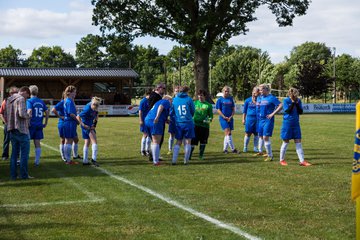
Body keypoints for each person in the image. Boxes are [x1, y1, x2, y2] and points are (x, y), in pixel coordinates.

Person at [279, 88, 311, 166]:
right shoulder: (286, 101)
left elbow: (301, 112)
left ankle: (302, 161)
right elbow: (287, 111)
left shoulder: (298, 101)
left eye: (297, 94)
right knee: (286, 141)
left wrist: (296, 103)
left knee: (298, 141)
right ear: (290, 94)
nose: (296, 95)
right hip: (287, 123)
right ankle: (282, 160)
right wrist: (293, 103)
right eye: (294, 94)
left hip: (296, 123)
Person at [6, 86, 32, 180]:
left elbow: (6, 114)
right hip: (21, 129)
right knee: (24, 154)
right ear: (24, 92)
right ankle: (24, 175)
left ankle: (13, 175)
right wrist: (29, 114)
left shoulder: (9, 99)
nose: (27, 98)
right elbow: (22, 114)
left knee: (14, 154)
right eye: (27, 96)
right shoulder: (21, 99)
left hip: (11, 128)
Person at [52, 93, 81, 162]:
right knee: (63, 140)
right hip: (63, 123)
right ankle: (64, 156)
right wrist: (60, 117)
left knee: (76, 139)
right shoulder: (63, 102)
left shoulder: (71, 102)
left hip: (70, 122)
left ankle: (75, 155)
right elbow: (53, 110)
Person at [257, 84, 283, 161]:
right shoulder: (261, 98)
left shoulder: (271, 98)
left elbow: (281, 105)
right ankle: (264, 152)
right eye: (260, 90)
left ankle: (270, 155)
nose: (260, 91)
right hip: (260, 120)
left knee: (265, 137)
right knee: (261, 137)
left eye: (261, 90)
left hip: (268, 120)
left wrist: (272, 114)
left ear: (266, 89)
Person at [145, 95, 172, 166]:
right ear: (168, 99)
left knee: (153, 141)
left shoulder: (157, 102)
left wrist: (167, 121)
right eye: (171, 101)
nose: (171, 103)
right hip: (155, 121)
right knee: (156, 141)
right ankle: (156, 161)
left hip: (148, 120)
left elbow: (162, 112)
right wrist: (157, 117)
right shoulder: (166, 101)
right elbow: (161, 107)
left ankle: (154, 159)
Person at [171, 86, 195, 165]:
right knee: (188, 142)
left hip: (179, 123)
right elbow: (192, 111)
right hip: (188, 123)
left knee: (178, 141)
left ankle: (174, 160)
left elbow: (172, 112)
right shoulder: (189, 99)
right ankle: (186, 161)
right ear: (186, 91)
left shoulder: (175, 100)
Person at [26, 85, 49, 166]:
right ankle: (37, 161)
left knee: (26, 142)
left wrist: (27, 122)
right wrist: (45, 122)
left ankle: (24, 160)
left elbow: (29, 111)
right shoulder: (41, 101)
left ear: (29, 92)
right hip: (39, 125)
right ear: (37, 92)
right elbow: (47, 112)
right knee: (37, 143)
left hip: (31, 125)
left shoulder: (29, 101)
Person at [77, 97, 101, 167]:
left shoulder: (95, 107)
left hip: (90, 125)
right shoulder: (87, 109)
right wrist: (83, 125)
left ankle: (85, 161)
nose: (95, 109)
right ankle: (94, 159)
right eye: (94, 107)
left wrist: (94, 124)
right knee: (94, 142)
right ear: (92, 104)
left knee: (87, 142)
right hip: (87, 126)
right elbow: (78, 117)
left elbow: (96, 115)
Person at [190, 89, 213, 160]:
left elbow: (211, 116)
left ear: (205, 96)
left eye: (201, 95)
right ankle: (189, 155)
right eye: (199, 95)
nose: (200, 96)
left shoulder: (208, 105)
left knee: (203, 142)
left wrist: (208, 120)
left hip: (204, 127)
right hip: (195, 126)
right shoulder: (194, 103)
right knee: (193, 142)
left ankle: (200, 155)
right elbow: (190, 113)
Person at [216, 86, 238, 154]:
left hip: (230, 118)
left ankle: (225, 149)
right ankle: (233, 149)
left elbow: (233, 109)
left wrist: (231, 116)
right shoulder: (220, 100)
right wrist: (224, 117)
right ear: (222, 92)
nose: (226, 92)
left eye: (227, 91)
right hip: (223, 118)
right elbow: (218, 110)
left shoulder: (231, 99)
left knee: (227, 134)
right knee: (228, 132)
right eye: (225, 91)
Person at [63, 85, 81, 165]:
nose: (75, 94)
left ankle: (69, 158)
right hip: (70, 122)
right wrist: (77, 121)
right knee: (68, 141)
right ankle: (68, 160)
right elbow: (71, 114)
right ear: (69, 93)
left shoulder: (69, 100)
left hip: (70, 123)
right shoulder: (69, 101)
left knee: (72, 140)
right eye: (74, 92)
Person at [0, 86, 19, 160]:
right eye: (14, 93)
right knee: (6, 140)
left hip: (17, 124)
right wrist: (5, 122)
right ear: (10, 93)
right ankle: (5, 155)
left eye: (16, 93)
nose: (16, 94)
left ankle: (16, 156)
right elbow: (1, 113)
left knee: (17, 141)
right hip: (8, 124)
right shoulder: (5, 101)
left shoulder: (19, 101)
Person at [242, 87, 260, 153]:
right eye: (254, 92)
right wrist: (243, 119)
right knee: (247, 133)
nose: (254, 93)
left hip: (257, 119)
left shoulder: (260, 100)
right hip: (249, 119)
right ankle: (245, 147)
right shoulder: (247, 100)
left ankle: (255, 147)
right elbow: (244, 111)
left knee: (256, 133)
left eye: (256, 92)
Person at [139, 88, 152, 156]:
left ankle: (147, 150)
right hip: (144, 120)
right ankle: (142, 150)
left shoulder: (150, 101)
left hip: (149, 120)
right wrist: (141, 120)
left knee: (149, 135)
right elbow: (140, 111)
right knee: (145, 135)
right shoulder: (143, 101)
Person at [167, 85, 179, 155]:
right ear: (174, 92)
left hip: (180, 120)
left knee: (181, 135)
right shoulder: (171, 100)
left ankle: (178, 149)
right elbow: (169, 111)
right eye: (176, 91)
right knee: (171, 135)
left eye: (178, 91)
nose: (177, 93)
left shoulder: (182, 100)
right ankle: (170, 149)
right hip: (173, 120)